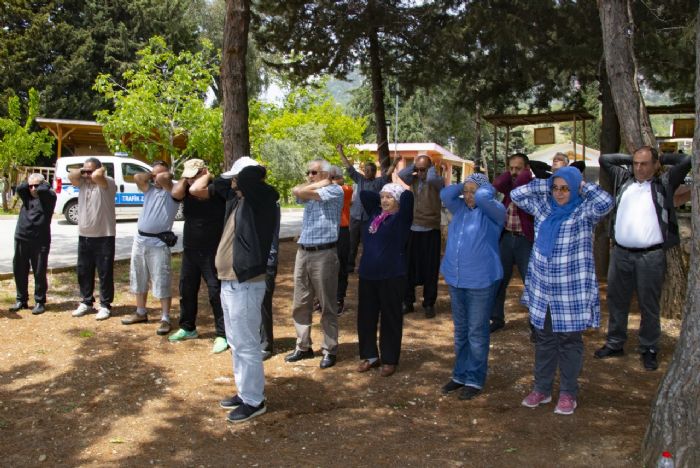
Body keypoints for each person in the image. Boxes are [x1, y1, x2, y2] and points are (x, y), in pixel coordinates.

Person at [512, 167, 613, 415]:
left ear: (575, 188)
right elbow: (516, 194)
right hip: (543, 289)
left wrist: (582, 186)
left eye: (565, 188)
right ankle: (542, 389)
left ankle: (568, 393)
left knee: (570, 342)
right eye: (556, 188)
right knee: (544, 340)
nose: (559, 193)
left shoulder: (584, 211)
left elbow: (606, 202)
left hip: (571, 291)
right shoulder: (543, 208)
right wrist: (546, 183)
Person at [594, 147, 691, 371]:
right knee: (617, 301)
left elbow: (687, 160)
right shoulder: (624, 179)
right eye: (636, 163)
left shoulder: (664, 183)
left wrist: (660, 157)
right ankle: (615, 343)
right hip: (620, 254)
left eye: (644, 163)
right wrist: (633, 157)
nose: (638, 168)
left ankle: (649, 348)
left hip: (651, 256)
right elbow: (605, 158)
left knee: (649, 304)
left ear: (656, 165)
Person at [214, 156, 279, 423]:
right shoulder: (238, 201)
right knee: (236, 343)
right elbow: (218, 186)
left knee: (248, 345)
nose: (232, 183)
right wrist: (233, 176)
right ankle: (245, 392)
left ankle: (255, 400)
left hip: (246, 284)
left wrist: (247, 171)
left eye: (236, 178)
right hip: (229, 282)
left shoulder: (262, 201)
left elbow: (260, 182)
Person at [439, 173, 505, 400]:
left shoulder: (493, 212)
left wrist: (481, 188)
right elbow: (445, 193)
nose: (468, 196)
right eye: (465, 192)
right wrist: (466, 182)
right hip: (457, 279)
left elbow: (486, 199)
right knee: (461, 331)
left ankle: (475, 379)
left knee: (476, 332)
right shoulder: (459, 210)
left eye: (472, 192)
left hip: (481, 280)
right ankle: (460, 374)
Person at [285, 159, 344, 369]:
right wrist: (319, 182)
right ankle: (303, 346)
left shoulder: (336, 191)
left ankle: (329, 349)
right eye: (308, 172)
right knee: (300, 302)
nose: (309, 176)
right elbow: (295, 191)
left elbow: (301, 192)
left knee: (327, 304)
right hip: (304, 252)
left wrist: (323, 184)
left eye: (314, 172)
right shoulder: (315, 188)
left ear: (327, 174)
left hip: (324, 253)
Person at [168, 159, 228, 353]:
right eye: (188, 174)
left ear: (204, 171)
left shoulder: (216, 185)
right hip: (191, 249)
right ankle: (187, 327)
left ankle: (223, 333)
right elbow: (175, 194)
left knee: (215, 292)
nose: (191, 178)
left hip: (212, 249)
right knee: (186, 289)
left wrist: (207, 176)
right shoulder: (186, 186)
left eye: (195, 174)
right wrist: (186, 179)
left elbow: (197, 191)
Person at [356, 183, 414, 377]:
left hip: (392, 275)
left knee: (390, 318)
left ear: (398, 200)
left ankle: (389, 359)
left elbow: (408, 197)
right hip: (367, 274)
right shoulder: (375, 214)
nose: (384, 200)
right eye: (382, 197)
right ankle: (370, 356)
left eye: (390, 197)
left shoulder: (401, 218)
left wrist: (400, 188)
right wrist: (385, 192)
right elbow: (365, 193)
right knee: (366, 317)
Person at [120, 161, 179, 335]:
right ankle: (140, 312)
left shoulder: (172, 192)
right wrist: (152, 176)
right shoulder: (149, 189)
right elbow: (138, 177)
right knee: (139, 277)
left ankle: (165, 317)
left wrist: (160, 176)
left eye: (158, 175)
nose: (155, 179)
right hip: (140, 241)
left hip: (159, 244)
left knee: (162, 280)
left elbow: (166, 178)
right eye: (153, 175)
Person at [337, 144, 399, 273]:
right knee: (352, 243)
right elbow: (349, 167)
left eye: (368, 170)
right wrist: (340, 152)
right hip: (355, 217)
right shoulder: (359, 179)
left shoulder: (379, 182)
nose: (366, 172)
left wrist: (395, 162)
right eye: (365, 170)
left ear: (374, 172)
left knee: (367, 244)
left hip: (368, 219)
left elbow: (388, 172)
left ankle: (365, 265)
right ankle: (350, 266)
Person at [490, 152, 534, 333]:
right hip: (507, 239)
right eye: (511, 168)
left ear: (527, 169)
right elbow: (497, 184)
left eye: (519, 168)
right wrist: (511, 173)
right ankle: (497, 318)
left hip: (525, 241)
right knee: (499, 280)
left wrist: (525, 174)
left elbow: (523, 185)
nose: (514, 172)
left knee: (531, 283)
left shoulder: (532, 186)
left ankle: (536, 324)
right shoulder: (508, 186)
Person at [69, 158, 117, 320]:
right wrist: (83, 172)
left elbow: (97, 176)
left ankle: (105, 305)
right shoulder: (82, 182)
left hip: (104, 235)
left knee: (104, 272)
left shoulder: (108, 182)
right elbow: (72, 176)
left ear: (99, 169)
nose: (87, 175)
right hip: (84, 235)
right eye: (85, 171)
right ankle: (86, 301)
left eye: (90, 171)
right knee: (84, 271)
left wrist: (94, 172)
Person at [398, 154, 445, 318]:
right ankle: (408, 301)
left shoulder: (437, 180)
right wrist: (415, 167)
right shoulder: (415, 180)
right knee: (408, 268)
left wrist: (430, 168)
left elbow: (431, 178)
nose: (419, 173)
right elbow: (401, 175)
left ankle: (429, 303)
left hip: (431, 229)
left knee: (430, 269)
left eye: (422, 169)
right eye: (417, 170)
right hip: (413, 229)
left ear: (430, 168)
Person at [10, 173, 57, 314]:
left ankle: (40, 301)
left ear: (43, 185)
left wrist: (43, 185)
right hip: (21, 238)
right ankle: (21, 300)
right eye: (31, 186)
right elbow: (20, 187)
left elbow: (43, 190)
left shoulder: (49, 197)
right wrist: (29, 182)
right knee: (19, 270)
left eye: (36, 185)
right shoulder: (26, 196)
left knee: (39, 271)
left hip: (40, 240)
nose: (33, 189)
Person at [330, 166, 353, 314]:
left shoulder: (345, 189)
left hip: (342, 230)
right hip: (328, 230)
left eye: (333, 177)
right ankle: (325, 298)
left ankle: (339, 298)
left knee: (341, 265)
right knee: (325, 265)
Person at [260, 199, 281, 361]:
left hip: (266, 261)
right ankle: (257, 341)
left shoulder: (269, 202)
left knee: (263, 302)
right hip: (251, 261)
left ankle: (265, 344)